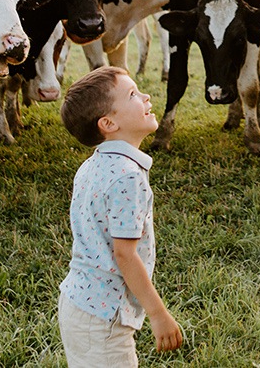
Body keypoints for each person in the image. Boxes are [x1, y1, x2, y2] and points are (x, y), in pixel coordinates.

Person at [58, 66, 183, 368]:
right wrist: (158, 313)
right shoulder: (128, 176)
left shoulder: (93, 164)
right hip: (104, 320)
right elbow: (125, 254)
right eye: (133, 95)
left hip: (78, 303)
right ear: (109, 123)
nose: (146, 96)